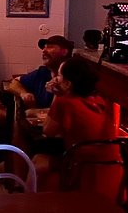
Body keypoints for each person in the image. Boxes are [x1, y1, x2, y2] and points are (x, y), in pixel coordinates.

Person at [33, 57, 120, 201]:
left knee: (38, 162)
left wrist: (57, 94)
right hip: (113, 167)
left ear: (68, 83)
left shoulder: (65, 102)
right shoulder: (100, 100)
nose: (56, 78)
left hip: (83, 165)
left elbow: (48, 131)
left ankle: (32, 203)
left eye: (59, 75)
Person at [6, 35, 73, 109]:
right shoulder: (42, 72)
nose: (44, 50)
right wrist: (24, 93)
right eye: (44, 47)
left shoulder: (74, 78)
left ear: (64, 52)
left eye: (50, 47)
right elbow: (14, 83)